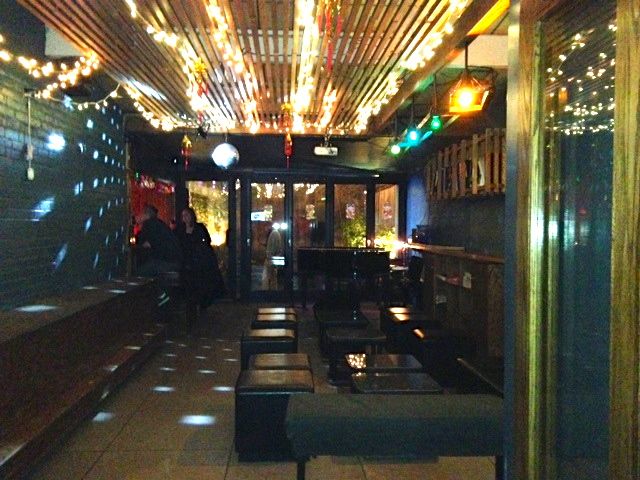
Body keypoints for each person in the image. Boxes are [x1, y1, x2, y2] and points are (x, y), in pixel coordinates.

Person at [176, 207, 225, 309]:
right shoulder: (180, 229)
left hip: (200, 259)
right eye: (183, 216)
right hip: (187, 260)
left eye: (187, 215)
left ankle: (203, 302)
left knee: (202, 281)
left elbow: (207, 240)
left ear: (191, 216)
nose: (185, 218)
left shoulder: (199, 227)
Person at [135, 204, 182, 276]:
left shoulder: (149, 224)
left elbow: (145, 244)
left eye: (140, 214)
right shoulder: (160, 223)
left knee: (137, 273)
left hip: (165, 262)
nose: (138, 216)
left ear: (146, 215)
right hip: (175, 261)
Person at [262, 225, 283, 289]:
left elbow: (272, 249)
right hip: (272, 259)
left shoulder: (274, 234)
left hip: (271, 260)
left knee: (269, 278)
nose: (264, 229)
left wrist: (269, 257)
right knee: (272, 278)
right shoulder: (275, 233)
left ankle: (269, 291)